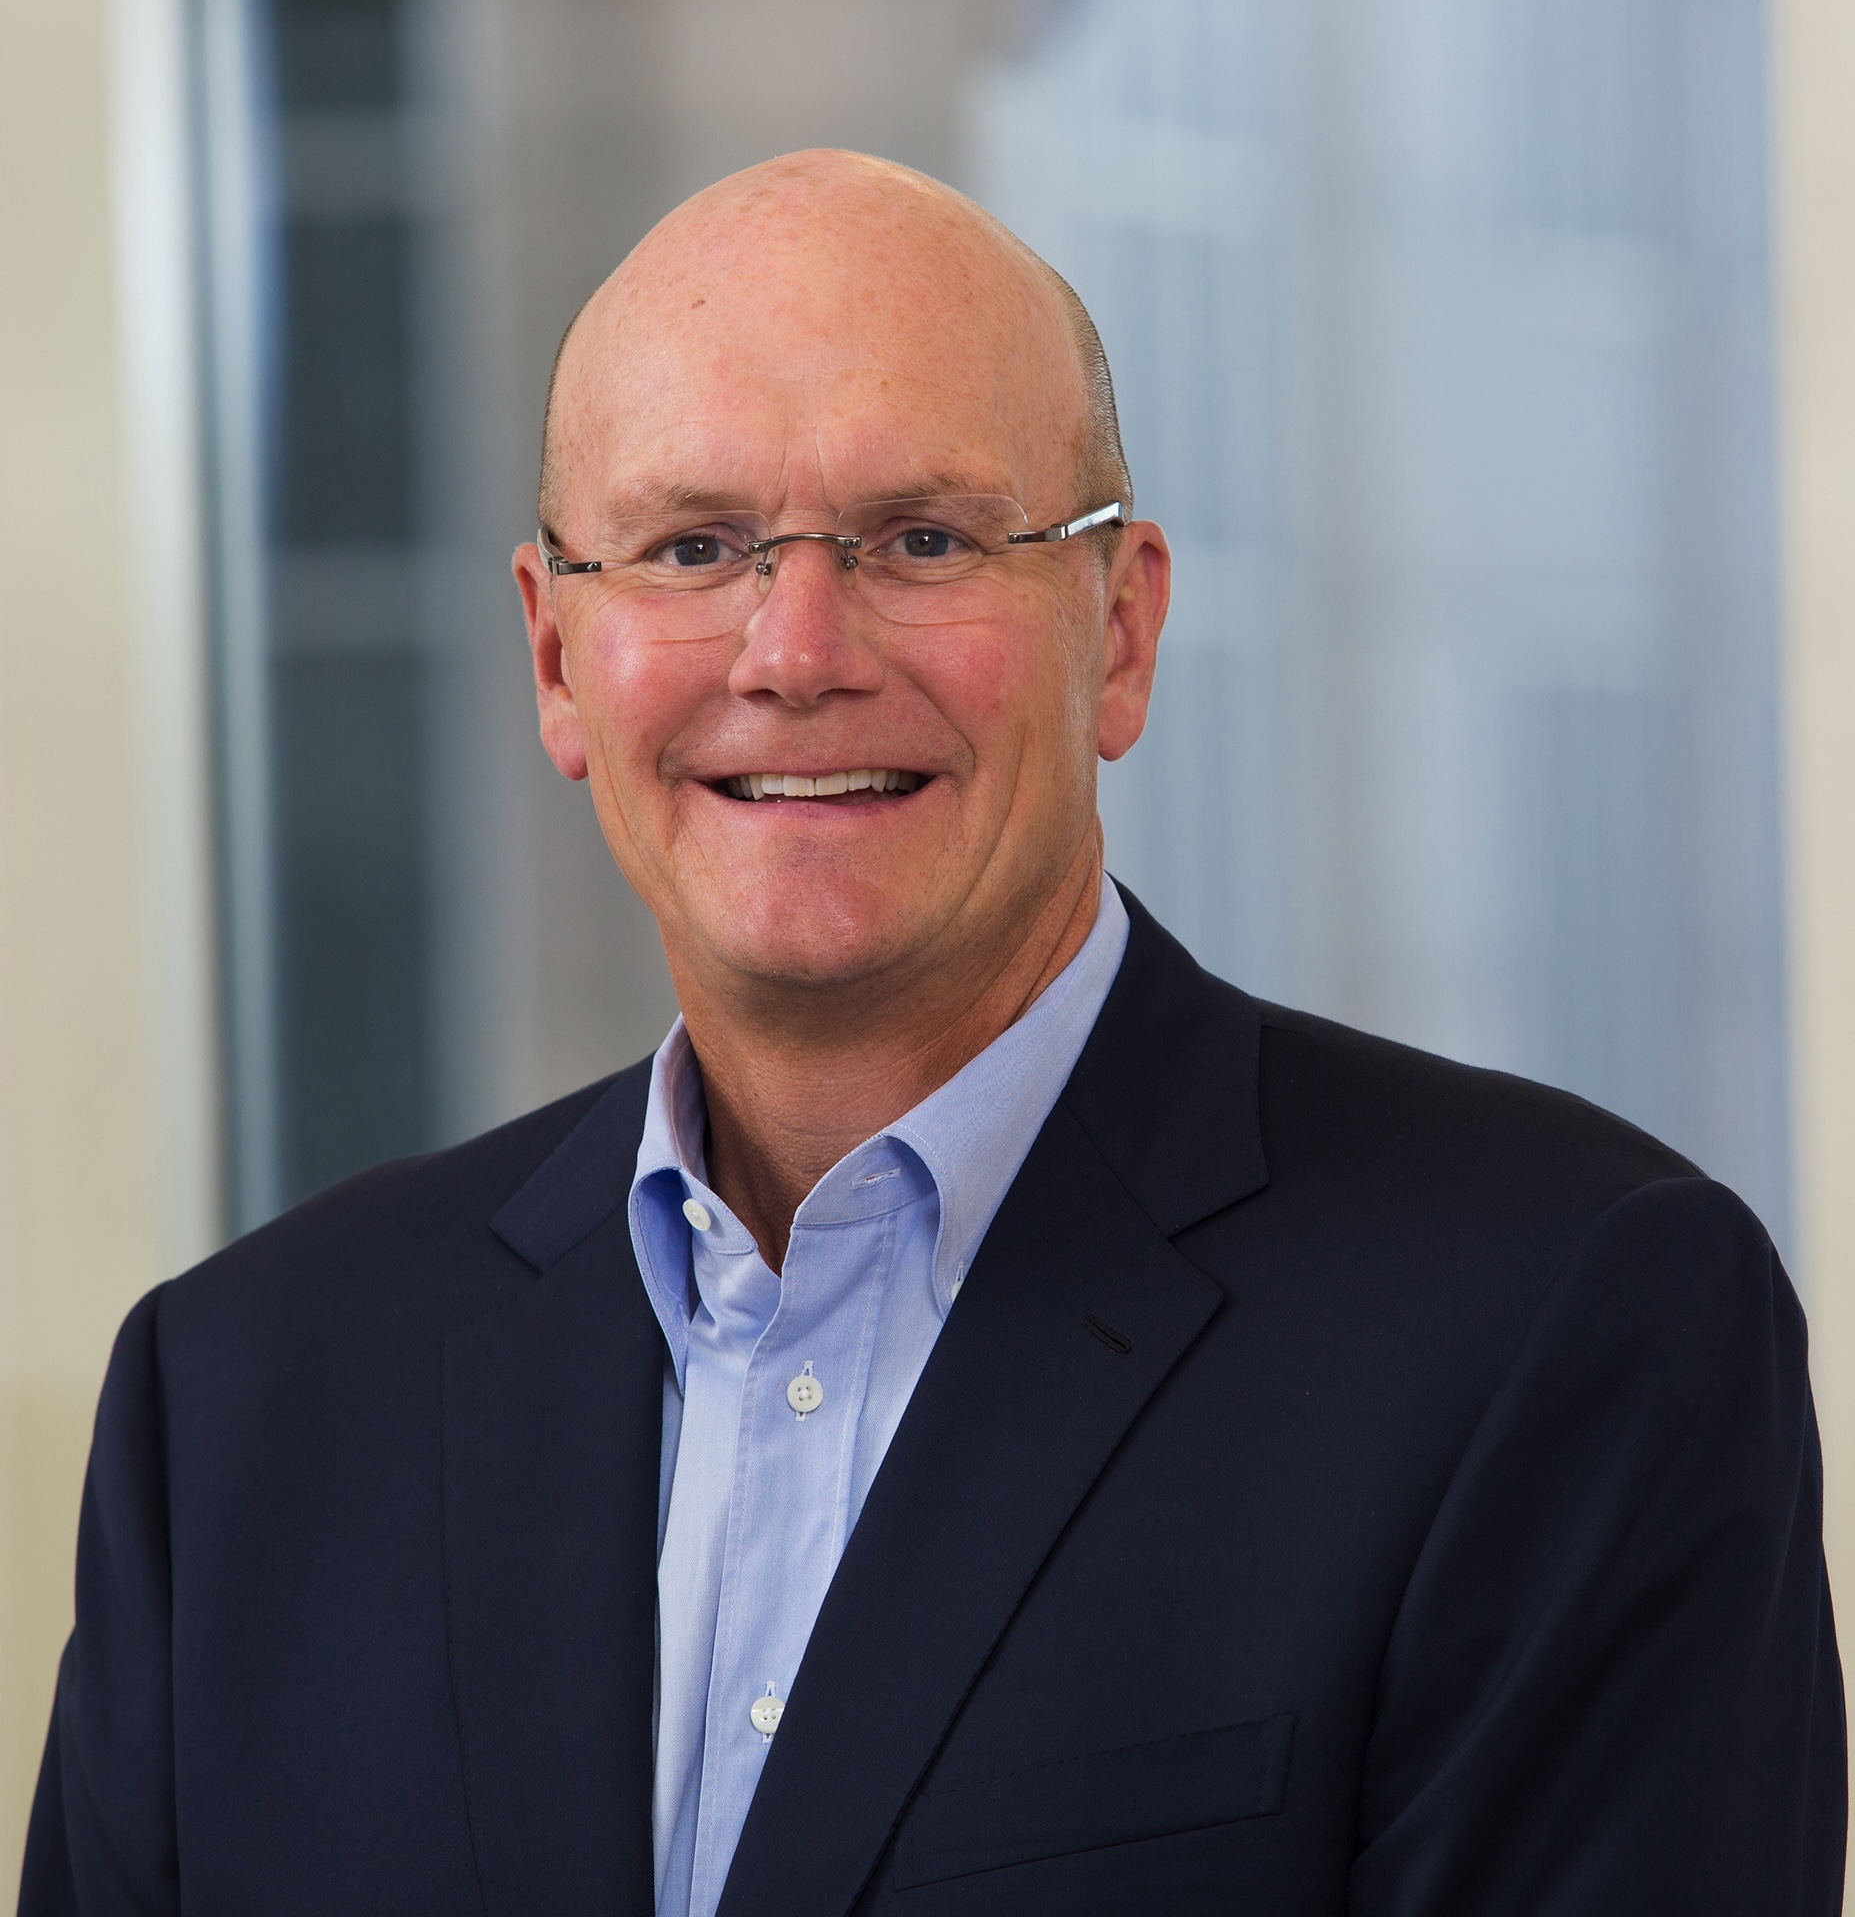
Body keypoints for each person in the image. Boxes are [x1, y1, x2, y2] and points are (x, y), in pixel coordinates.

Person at [21, 151, 1843, 1917]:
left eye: (923, 536)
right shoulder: (243, 1401)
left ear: (1118, 632)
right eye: (693, 545)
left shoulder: (1564, 1323)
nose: (794, 648)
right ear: (557, 656)